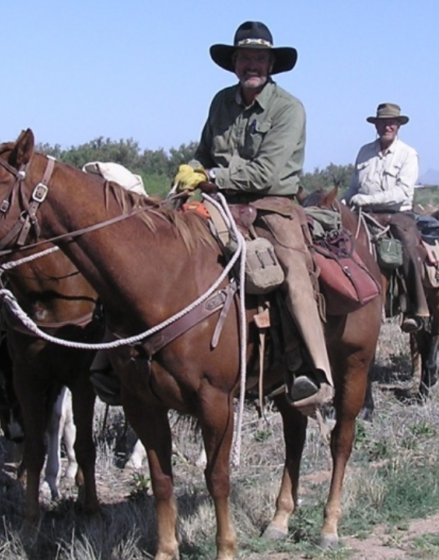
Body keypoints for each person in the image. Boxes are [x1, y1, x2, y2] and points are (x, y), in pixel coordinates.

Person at [172, 21, 334, 413]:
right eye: (245, 57)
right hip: (221, 201)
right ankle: (117, 358)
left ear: (271, 64)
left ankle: (314, 371)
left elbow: (269, 173)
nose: (253, 64)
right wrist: (189, 171)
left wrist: (210, 176)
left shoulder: (289, 109)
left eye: (260, 58)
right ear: (234, 62)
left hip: (271, 204)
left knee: (294, 268)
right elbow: (204, 152)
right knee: (164, 243)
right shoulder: (220, 102)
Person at [343, 102, 429, 332]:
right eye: (382, 122)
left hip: (397, 215)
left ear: (398, 125)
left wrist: (365, 200)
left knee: (409, 248)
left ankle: (415, 309)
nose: (387, 126)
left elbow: (402, 193)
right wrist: (342, 203)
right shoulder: (364, 151)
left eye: (391, 122)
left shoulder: (408, 154)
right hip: (364, 214)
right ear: (376, 125)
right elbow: (353, 187)